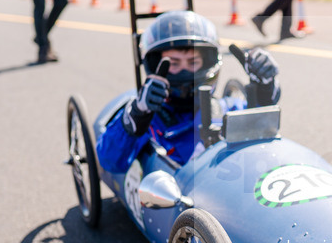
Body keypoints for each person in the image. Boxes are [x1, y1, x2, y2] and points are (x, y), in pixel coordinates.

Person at [97, 10, 281, 173]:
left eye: (193, 63)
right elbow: (110, 162)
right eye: (174, 64)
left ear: (207, 63)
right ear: (155, 65)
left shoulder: (226, 108)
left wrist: (264, 87)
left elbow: (262, 132)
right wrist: (137, 114)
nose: (184, 71)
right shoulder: (148, 121)